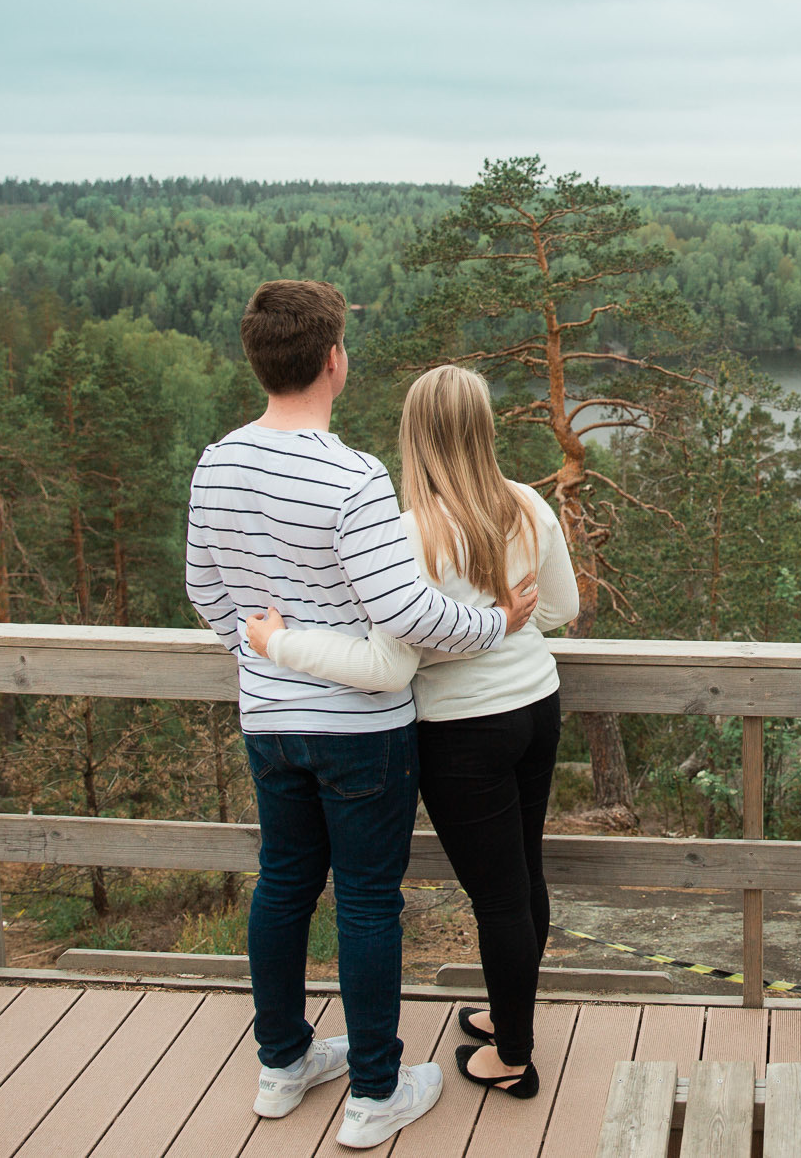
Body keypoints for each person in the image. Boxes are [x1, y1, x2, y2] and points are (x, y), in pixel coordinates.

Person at [185, 282, 538, 1150]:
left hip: (270, 720)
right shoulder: (352, 476)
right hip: (361, 729)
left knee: (283, 885)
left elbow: (204, 591)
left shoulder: (216, 461)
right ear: (334, 359)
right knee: (370, 901)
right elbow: (411, 615)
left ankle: (282, 1066)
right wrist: (498, 621)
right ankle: (376, 1092)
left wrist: (265, 655)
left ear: (259, 360)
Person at [246, 363, 578, 1102]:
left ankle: (513, 1057)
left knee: (497, 896)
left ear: (414, 436)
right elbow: (562, 607)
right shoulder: (527, 504)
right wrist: (502, 621)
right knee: (524, 874)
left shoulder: (407, 532)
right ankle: (505, 1017)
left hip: (462, 732)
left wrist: (281, 643)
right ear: (484, 428)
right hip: (536, 705)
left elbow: (392, 660)